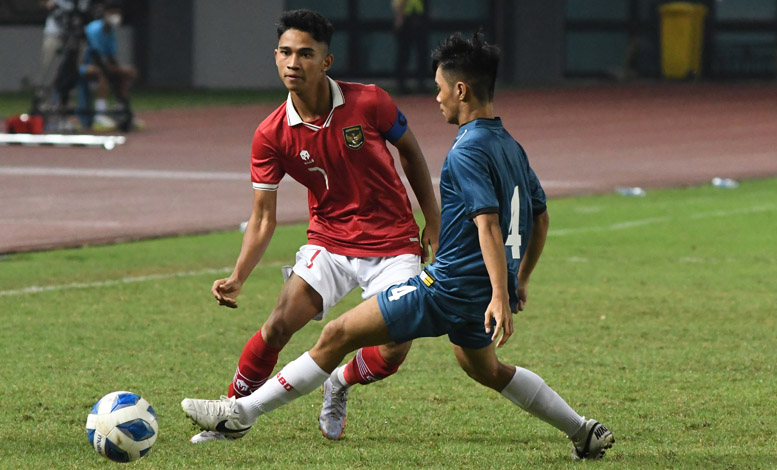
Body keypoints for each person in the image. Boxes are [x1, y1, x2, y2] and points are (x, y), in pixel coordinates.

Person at [182, 31, 615, 461]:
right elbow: (539, 217)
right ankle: (582, 431)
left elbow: (487, 223)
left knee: (336, 334)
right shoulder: (511, 146)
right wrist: (518, 281)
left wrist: (503, 292)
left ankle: (239, 414)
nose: (437, 98)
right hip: (479, 293)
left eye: (440, 89)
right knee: (486, 369)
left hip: (449, 288)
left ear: (460, 89)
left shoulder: (465, 150)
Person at [187, 9, 440, 444]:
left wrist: (431, 221)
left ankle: (339, 381)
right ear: (275, 56)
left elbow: (412, 156)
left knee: (395, 349)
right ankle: (230, 417)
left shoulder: (371, 101)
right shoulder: (271, 134)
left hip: (394, 245)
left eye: (305, 54)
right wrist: (237, 276)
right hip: (330, 242)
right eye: (285, 52)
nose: (293, 63)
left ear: (326, 61)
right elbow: (264, 215)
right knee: (279, 324)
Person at [79, 0, 138, 130]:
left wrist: (121, 69)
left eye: (118, 13)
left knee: (125, 74)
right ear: (105, 13)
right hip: (86, 65)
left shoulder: (110, 31)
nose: (116, 16)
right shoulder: (94, 29)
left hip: (102, 65)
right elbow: (95, 57)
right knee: (103, 73)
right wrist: (114, 68)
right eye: (113, 12)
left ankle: (121, 109)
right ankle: (100, 114)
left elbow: (111, 56)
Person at [392, 0, 428, 94]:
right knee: (404, 54)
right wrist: (399, 17)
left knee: (420, 54)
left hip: (418, 18)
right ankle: (401, 85)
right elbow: (398, 3)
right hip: (407, 19)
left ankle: (420, 84)